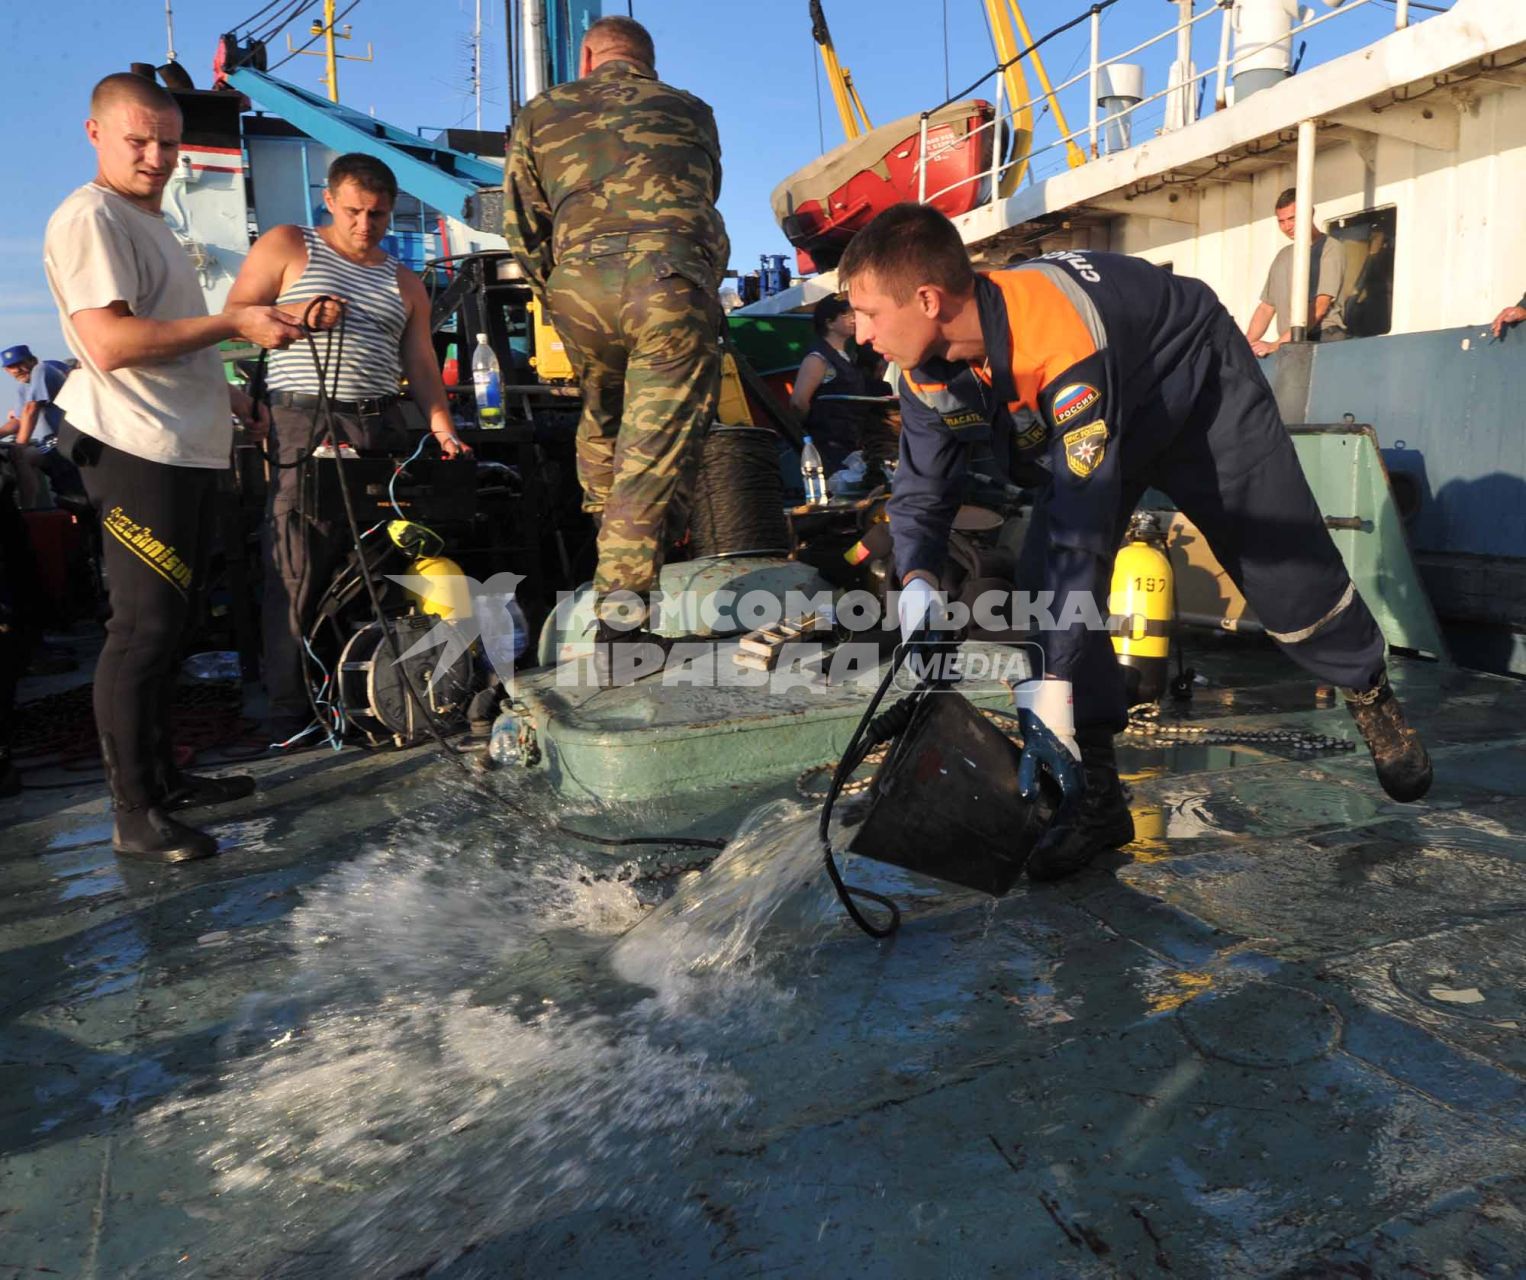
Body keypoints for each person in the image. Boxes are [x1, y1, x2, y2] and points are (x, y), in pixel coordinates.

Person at [839, 202, 1431, 881]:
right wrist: (915, 579)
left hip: (1191, 381)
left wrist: (1051, 688)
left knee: (1276, 554)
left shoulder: (1056, 338)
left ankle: (1367, 689)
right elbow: (922, 491)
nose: (860, 335)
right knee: (1040, 593)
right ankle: (1096, 802)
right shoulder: (922, 372)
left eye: (868, 314)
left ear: (927, 299)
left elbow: (1079, 527)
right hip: (1099, 405)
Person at [43, 72, 303, 863]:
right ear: (95, 134)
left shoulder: (148, 221)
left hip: (182, 443)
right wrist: (232, 320)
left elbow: (166, 342)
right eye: (137, 140)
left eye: (167, 140)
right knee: (143, 627)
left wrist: (230, 397)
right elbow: (112, 346)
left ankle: (164, 779)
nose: (156, 156)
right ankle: (134, 814)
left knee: (177, 624)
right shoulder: (91, 217)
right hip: (134, 449)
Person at [222, 152, 469, 743]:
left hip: (380, 421)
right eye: (355, 211)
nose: (366, 225)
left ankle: (371, 690)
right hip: (303, 417)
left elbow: (421, 362)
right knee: (299, 558)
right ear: (329, 201)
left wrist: (441, 426)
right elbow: (235, 315)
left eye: (379, 215)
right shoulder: (288, 245)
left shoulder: (406, 282)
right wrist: (297, 313)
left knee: (381, 558)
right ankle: (289, 710)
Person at [503, 14, 728, 644]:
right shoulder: (692, 111)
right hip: (668, 285)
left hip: (579, 290)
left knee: (604, 419)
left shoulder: (540, 111)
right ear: (648, 63)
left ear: (586, 58)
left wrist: (560, 286)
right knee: (651, 453)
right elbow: (702, 195)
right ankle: (622, 623)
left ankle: (614, 543)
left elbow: (521, 228)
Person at [1245, 188, 1347, 355]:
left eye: (1292, 219)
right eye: (1281, 221)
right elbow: (1266, 307)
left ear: (1310, 213)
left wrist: (1276, 344)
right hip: (1290, 344)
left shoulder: (1330, 248)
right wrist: (1244, 345)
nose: (1287, 226)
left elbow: (1320, 306)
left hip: (1324, 338)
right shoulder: (1283, 256)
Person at [0, 343, 83, 508]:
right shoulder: (23, 388)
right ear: (6, 371)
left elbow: (31, 409)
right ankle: (28, 510)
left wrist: (21, 444)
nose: (17, 369)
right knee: (22, 458)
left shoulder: (42, 370)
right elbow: (17, 421)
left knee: (22, 456)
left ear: (33, 360)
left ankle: (31, 511)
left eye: (21, 363)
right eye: (12, 367)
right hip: (47, 446)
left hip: (65, 443)